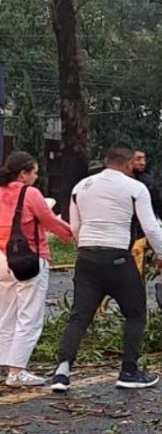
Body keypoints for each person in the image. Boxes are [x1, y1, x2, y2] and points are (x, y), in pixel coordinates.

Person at [51, 147, 162, 392]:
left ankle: (62, 370)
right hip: (117, 256)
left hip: (86, 255)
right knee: (136, 312)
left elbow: (75, 227)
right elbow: (151, 227)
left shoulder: (81, 187)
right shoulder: (135, 188)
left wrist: (87, 247)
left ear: (106, 162)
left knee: (80, 315)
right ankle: (129, 370)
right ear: (128, 164)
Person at [0, 152, 74, 386]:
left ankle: (5, 365)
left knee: (6, 315)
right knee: (29, 316)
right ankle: (17, 371)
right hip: (29, 259)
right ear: (23, 174)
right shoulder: (30, 193)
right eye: (34, 172)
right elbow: (50, 221)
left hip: (1, 259)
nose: (36, 176)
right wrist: (71, 234)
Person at [131, 148, 162, 275]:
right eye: (138, 159)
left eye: (144, 159)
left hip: (139, 236)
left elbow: (160, 207)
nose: (142, 163)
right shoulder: (117, 182)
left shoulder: (148, 183)